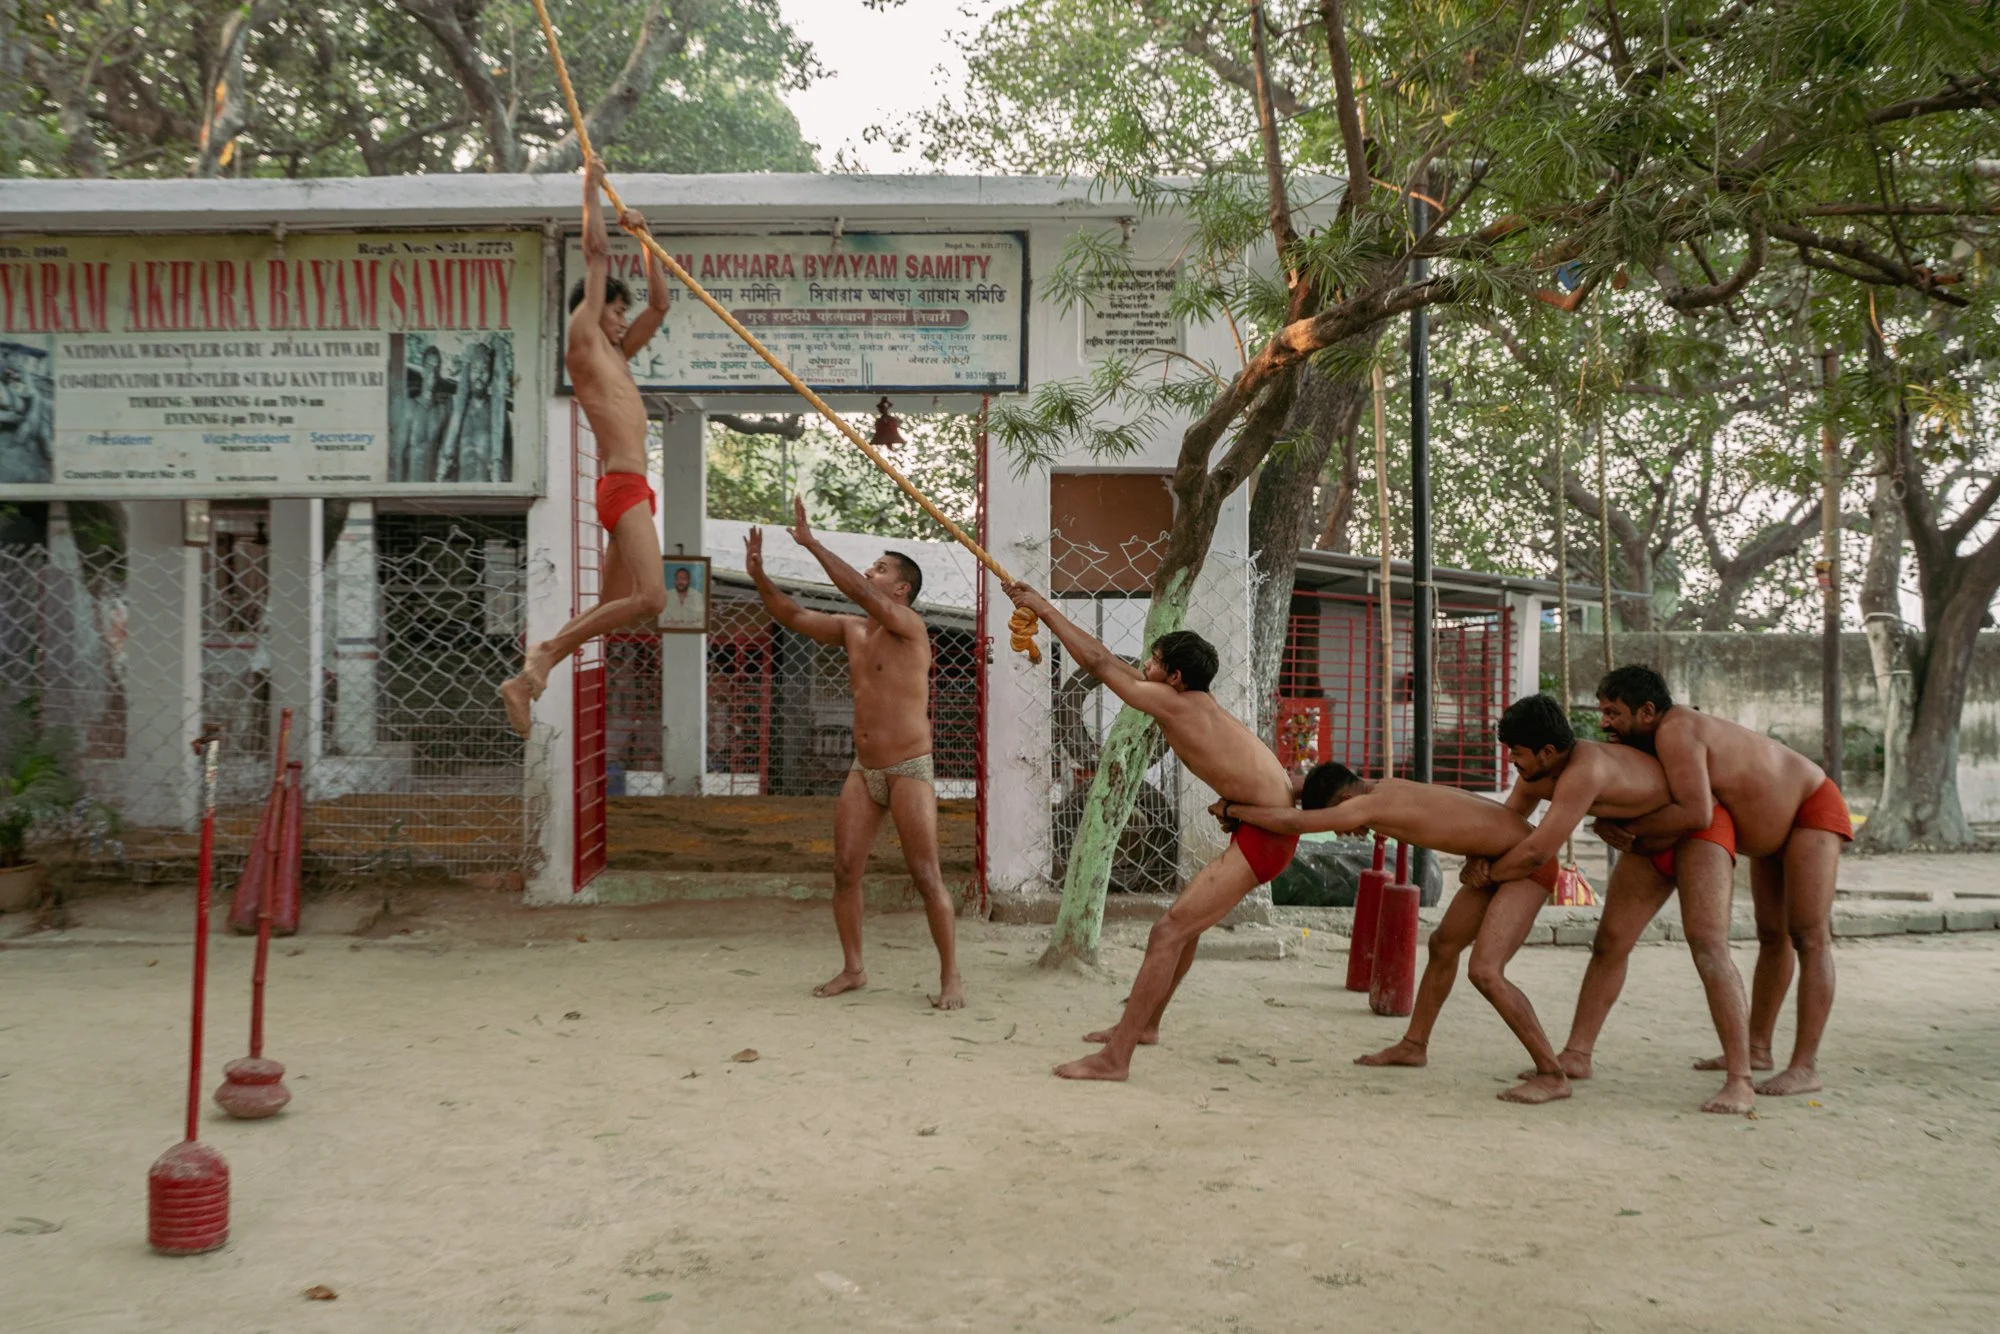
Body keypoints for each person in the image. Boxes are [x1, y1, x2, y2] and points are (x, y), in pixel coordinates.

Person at [1002, 581, 1300, 1082]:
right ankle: (1146, 1027)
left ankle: (1115, 1058)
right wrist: (1235, 807)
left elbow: (1098, 663)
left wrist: (1042, 608)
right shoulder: (1190, 701)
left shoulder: (1177, 705)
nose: (1145, 667)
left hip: (1266, 839)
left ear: (1176, 678)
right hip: (1259, 829)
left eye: (1154, 662)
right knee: (1185, 930)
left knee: (1167, 932)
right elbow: (1112, 666)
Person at [1220, 761, 1578, 1103]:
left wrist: (1235, 811)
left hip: (1529, 864)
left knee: (1485, 972)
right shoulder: (1384, 786)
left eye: (1340, 822)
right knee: (1443, 946)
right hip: (1496, 859)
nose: (1346, 832)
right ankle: (1414, 1045)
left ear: (1344, 802)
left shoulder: (1365, 806)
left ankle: (1552, 1074)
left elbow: (1293, 822)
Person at [1567, 665, 1849, 1098]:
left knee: (1809, 936)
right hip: (1764, 833)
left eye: (1612, 712)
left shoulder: (1676, 731)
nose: (1604, 722)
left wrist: (1629, 829)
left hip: (1809, 807)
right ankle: (1756, 1049)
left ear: (1647, 711)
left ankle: (1804, 1065)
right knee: (1771, 935)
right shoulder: (1646, 741)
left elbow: (1697, 812)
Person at [1475, 691, 1759, 1115]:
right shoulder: (1535, 767)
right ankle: (1577, 1054)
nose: (1513, 763)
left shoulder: (1584, 769)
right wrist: (1478, 854)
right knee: (1609, 943)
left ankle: (1741, 1080)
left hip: (1698, 832)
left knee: (1708, 946)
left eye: (1516, 754)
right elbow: (1507, 822)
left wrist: (1490, 874)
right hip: (1646, 840)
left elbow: (1537, 851)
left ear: (1547, 751)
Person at [747, 498, 964, 1010]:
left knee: (926, 875)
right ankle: (853, 968)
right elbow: (793, 614)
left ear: (901, 589)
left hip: (910, 768)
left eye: (881, 569)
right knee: (845, 870)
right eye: (873, 566)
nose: (872, 571)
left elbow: (859, 590)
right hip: (864, 769)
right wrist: (758, 576)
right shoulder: (853, 629)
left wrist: (813, 543)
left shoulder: (910, 627)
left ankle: (952, 976)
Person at [500, 158, 670, 736]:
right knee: (654, 599)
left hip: (631, 487)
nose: (624, 320)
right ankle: (543, 654)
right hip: (621, 488)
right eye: (617, 310)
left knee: (613, 611)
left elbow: (661, 307)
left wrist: (645, 242)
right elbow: (595, 255)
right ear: (595, 308)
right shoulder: (583, 343)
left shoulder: (619, 357)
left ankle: (531, 676)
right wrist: (590, 188)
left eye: (623, 312)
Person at [659, 563, 706, 629]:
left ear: (689, 581)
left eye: (683, 579)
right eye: (678, 579)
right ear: (675, 580)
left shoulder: (698, 597)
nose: (680, 582)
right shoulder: (666, 596)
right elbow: (661, 621)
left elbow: (701, 622)